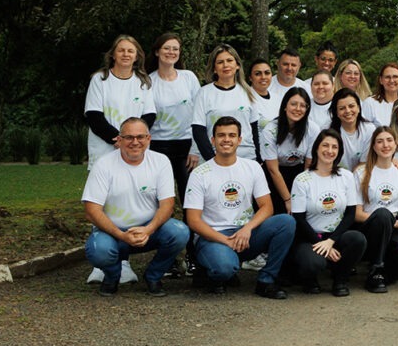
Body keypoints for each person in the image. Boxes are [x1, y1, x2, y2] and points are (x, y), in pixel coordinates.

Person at [184, 117, 295, 299]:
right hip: (213, 236)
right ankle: (213, 269)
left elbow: (267, 207)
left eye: (231, 135)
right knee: (224, 269)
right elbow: (193, 220)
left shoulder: (252, 167)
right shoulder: (199, 174)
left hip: (245, 235)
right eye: (221, 135)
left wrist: (247, 229)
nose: (226, 139)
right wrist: (225, 241)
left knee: (286, 222)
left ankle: (266, 280)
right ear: (213, 140)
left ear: (239, 140)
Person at [82, 117, 189, 296]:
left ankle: (154, 276)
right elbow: (91, 210)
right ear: (119, 140)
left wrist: (148, 230)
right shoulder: (103, 164)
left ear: (149, 138)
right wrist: (121, 235)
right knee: (99, 250)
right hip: (112, 232)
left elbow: (167, 205)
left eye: (140, 137)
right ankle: (112, 276)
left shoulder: (160, 161)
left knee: (179, 232)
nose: (135, 142)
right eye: (129, 137)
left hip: (148, 230)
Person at [289, 129, 366, 296]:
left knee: (357, 239)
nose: (329, 151)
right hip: (310, 238)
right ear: (316, 148)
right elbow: (299, 219)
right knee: (313, 263)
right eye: (325, 145)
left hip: (335, 235)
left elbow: (350, 214)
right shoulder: (302, 179)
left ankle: (340, 279)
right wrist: (322, 244)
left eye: (334, 147)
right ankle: (309, 279)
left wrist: (331, 241)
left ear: (339, 152)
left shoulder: (346, 176)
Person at [353, 127, 398, 292]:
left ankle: (387, 271)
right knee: (383, 214)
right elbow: (357, 214)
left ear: (396, 144)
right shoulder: (361, 172)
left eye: (389, 140)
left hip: (395, 226)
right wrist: (396, 223)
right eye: (380, 141)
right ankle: (376, 269)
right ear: (373, 146)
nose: (385, 145)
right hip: (370, 227)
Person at [85, 35, 157, 170]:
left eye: (130, 51)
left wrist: (131, 140)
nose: (126, 54)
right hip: (104, 150)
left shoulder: (143, 81)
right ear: (113, 55)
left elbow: (149, 115)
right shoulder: (99, 79)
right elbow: (94, 116)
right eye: (121, 50)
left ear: (136, 56)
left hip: (135, 150)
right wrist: (120, 140)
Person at [146, 33, 199, 203]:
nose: (171, 52)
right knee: (159, 196)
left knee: (190, 196)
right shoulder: (148, 81)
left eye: (175, 49)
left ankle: (191, 222)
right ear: (157, 52)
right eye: (166, 48)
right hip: (158, 145)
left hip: (186, 145)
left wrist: (195, 149)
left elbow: (199, 114)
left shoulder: (189, 77)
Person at [191, 44, 259, 163]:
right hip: (214, 157)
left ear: (237, 65)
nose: (225, 65)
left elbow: (254, 129)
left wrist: (259, 158)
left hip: (246, 157)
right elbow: (198, 131)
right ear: (214, 68)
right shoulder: (204, 93)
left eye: (229, 60)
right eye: (220, 62)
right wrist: (213, 160)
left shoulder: (248, 92)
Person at [260, 87, 317, 215]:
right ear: (285, 106)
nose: (298, 109)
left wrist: (301, 194)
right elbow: (273, 170)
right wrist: (288, 199)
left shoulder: (312, 129)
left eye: (303, 106)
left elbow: (308, 165)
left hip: (299, 173)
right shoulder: (270, 131)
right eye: (293, 104)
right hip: (274, 174)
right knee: (282, 212)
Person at [331, 88, 374, 172]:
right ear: (336, 112)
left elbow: (364, 163)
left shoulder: (369, 129)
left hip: (360, 173)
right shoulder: (327, 130)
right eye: (342, 108)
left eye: (351, 106)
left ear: (358, 108)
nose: (347, 111)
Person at [247, 59, 281, 132]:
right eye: (258, 74)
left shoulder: (278, 99)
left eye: (267, 73)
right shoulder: (245, 98)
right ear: (250, 78)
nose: (263, 77)